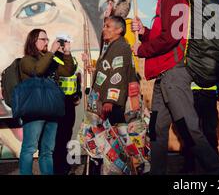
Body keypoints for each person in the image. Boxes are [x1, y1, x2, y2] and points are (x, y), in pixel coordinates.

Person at [131, 0, 219, 175]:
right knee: (156, 130)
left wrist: (142, 50)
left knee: (189, 129)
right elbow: (163, 35)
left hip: (173, 76)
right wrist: (144, 33)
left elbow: (172, 38)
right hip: (162, 78)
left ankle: (218, 173)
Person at [86, 16, 139, 174]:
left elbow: (118, 74)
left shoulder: (120, 47)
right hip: (105, 103)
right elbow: (107, 72)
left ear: (119, 30)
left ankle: (116, 170)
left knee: (115, 142)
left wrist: (110, 100)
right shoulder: (111, 46)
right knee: (107, 141)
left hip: (113, 105)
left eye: (108, 26)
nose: (104, 29)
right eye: (104, 26)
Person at [19, 28, 76, 175]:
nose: (47, 42)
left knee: (47, 151)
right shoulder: (26, 60)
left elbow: (68, 71)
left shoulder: (51, 59)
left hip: (51, 110)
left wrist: (67, 53)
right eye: (43, 39)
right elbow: (38, 70)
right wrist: (51, 52)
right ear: (33, 42)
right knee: (29, 149)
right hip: (35, 111)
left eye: (47, 39)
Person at [181, 78, 219, 173]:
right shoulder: (189, 62)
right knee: (190, 132)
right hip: (192, 97)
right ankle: (189, 164)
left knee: (210, 132)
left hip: (209, 98)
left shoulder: (214, 63)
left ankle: (215, 165)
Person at [52, 36, 83, 175]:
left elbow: (76, 78)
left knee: (66, 135)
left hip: (70, 101)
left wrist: (78, 94)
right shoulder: (53, 60)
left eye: (65, 43)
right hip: (58, 102)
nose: (64, 46)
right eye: (61, 43)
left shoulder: (72, 59)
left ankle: (64, 167)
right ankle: (58, 168)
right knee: (59, 137)